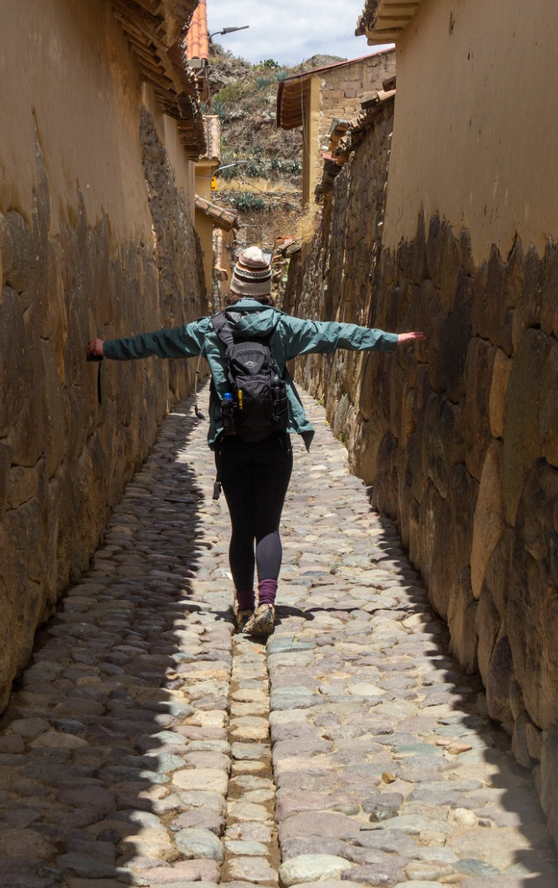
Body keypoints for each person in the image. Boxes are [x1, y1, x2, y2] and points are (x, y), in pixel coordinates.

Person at [87, 246, 423, 638]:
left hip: (230, 440)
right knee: (268, 526)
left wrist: (106, 348)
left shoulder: (209, 328)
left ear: (234, 287)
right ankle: (267, 601)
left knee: (240, 526)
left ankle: (243, 604)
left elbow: (160, 342)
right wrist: (389, 339)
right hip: (275, 441)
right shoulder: (285, 327)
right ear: (266, 288)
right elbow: (335, 334)